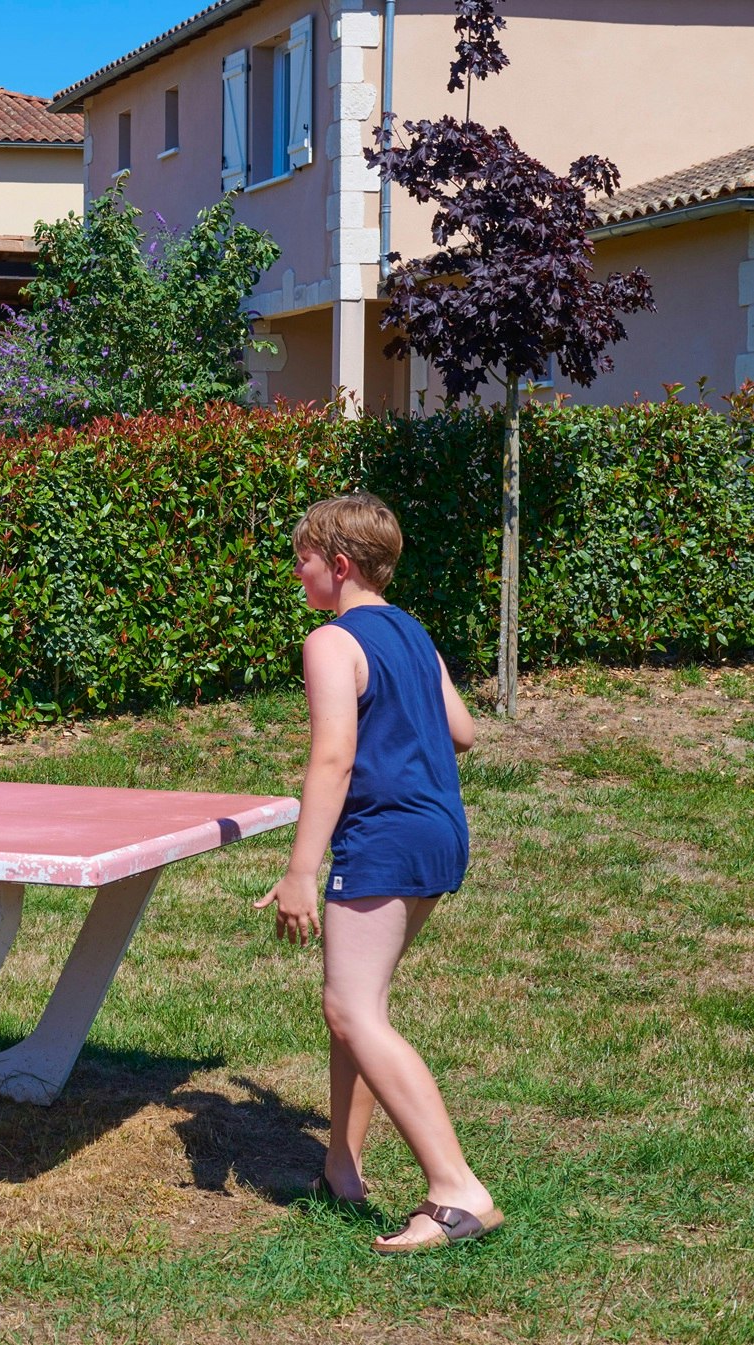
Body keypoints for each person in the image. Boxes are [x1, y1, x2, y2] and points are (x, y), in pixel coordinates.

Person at [256, 492, 502, 1254]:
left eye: (301, 560)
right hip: (437, 832)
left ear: (338, 565)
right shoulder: (411, 630)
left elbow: (331, 756)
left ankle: (457, 1189)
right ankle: (341, 1168)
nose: (295, 575)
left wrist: (301, 870)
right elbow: (461, 730)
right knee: (355, 1006)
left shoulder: (331, 640)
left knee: (351, 1009)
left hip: (383, 837)